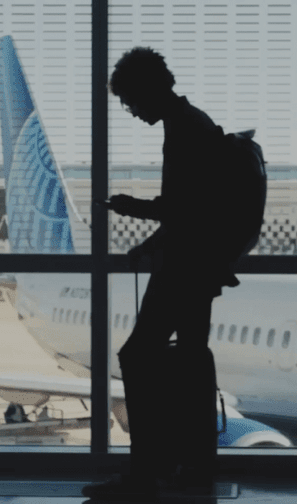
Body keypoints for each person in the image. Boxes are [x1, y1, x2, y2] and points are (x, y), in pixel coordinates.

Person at [82, 47, 239, 502]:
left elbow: (182, 209)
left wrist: (131, 208)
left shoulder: (184, 130)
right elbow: (198, 207)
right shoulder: (195, 123)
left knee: (137, 357)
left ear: (148, 89)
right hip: (200, 266)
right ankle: (191, 466)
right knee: (190, 361)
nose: (132, 111)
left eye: (131, 101)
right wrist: (152, 243)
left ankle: (147, 470)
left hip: (186, 268)